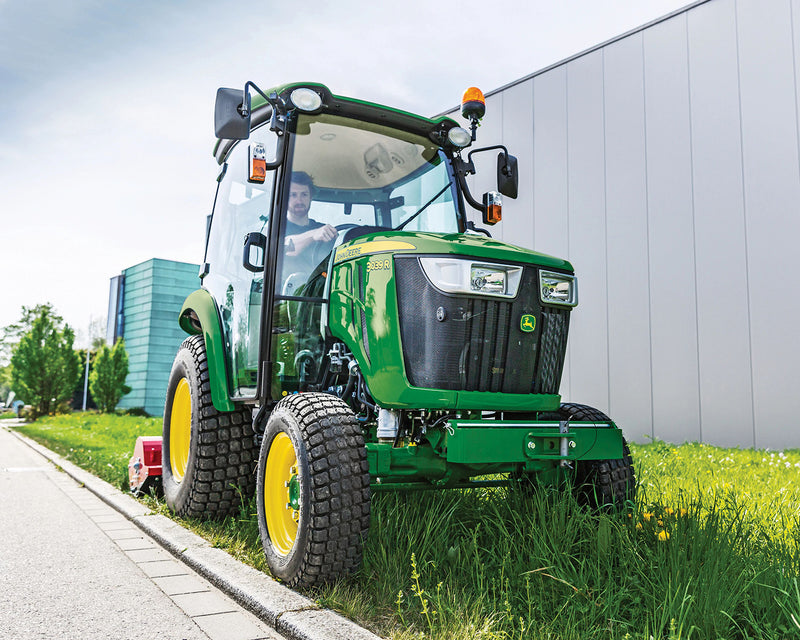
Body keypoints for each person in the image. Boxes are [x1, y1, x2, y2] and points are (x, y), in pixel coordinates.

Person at [283, 171, 337, 270]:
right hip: (291, 285)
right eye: (293, 195)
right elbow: (286, 247)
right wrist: (313, 235)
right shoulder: (278, 227)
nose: (299, 201)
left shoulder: (323, 230)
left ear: (310, 197)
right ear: (284, 198)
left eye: (304, 194)